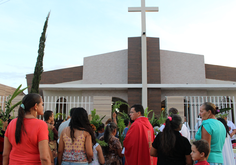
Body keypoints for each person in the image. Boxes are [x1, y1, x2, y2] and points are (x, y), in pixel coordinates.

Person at [2, 93, 51, 165]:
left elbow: (5, 154)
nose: (43, 107)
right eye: (42, 104)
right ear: (35, 106)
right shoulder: (41, 125)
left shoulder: (12, 123)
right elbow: (44, 158)